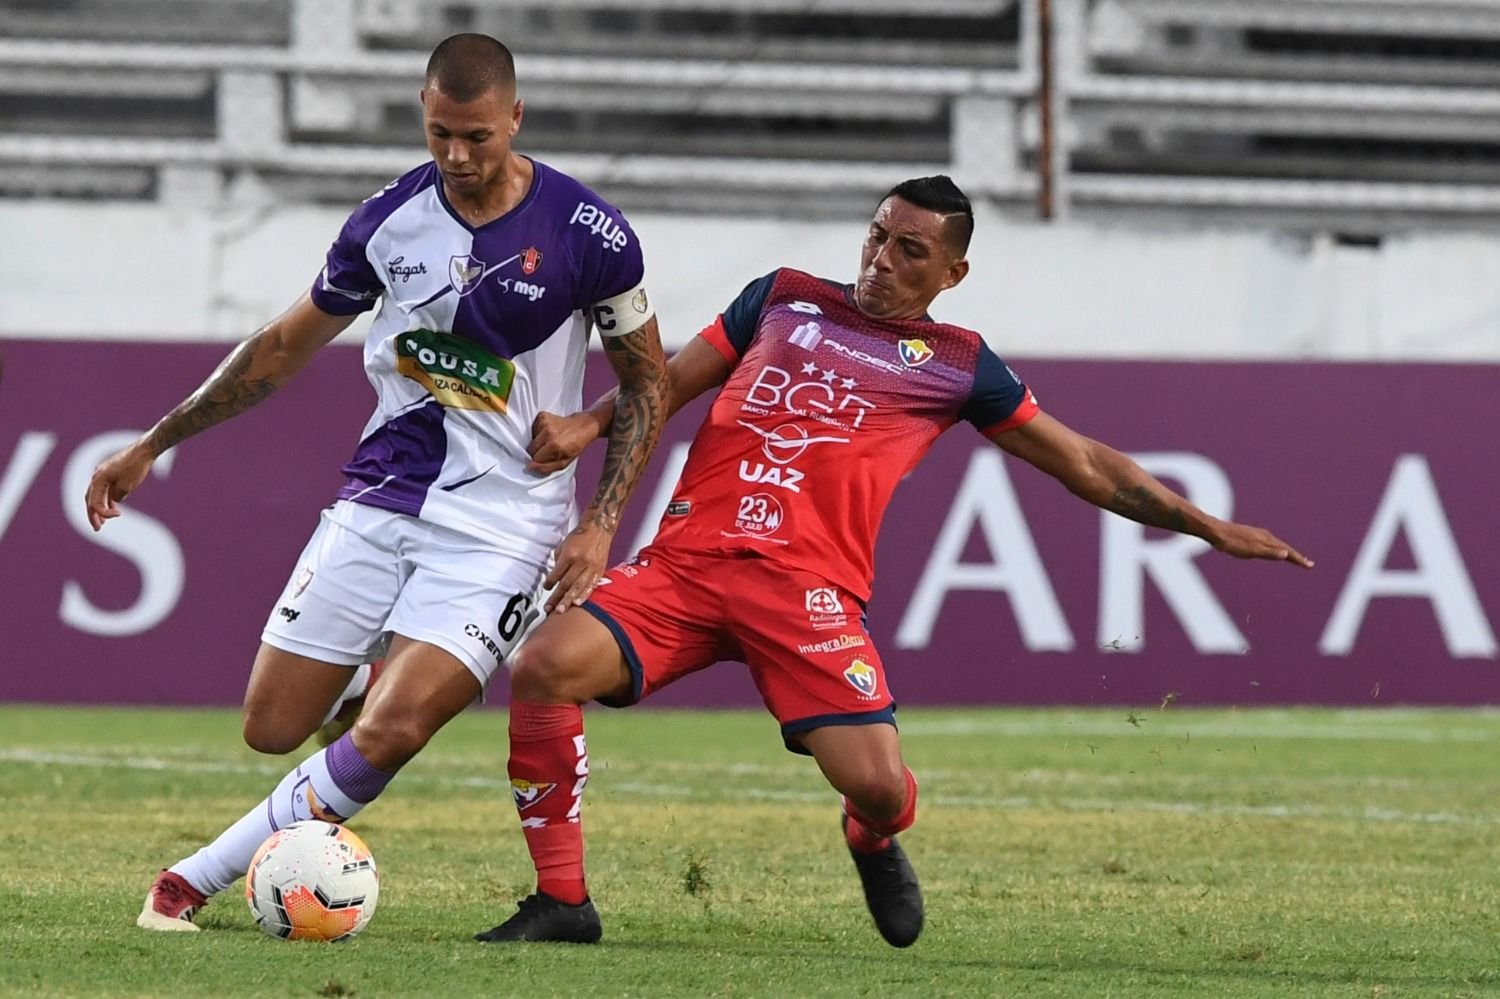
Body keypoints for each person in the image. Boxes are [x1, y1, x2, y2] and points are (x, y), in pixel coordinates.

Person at [474, 175, 1313, 947]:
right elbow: (669, 382)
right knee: (545, 663)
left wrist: (1208, 526)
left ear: (954, 271)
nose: (881, 259)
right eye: (878, 235)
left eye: (910, 250)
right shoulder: (782, 296)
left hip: (807, 593)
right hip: (685, 565)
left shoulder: (957, 364)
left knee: (880, 787)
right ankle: (564, 900)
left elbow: (1085, 463)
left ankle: (867, 831)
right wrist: (587, 425)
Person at [83, 33, 669, 931]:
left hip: (505, 526)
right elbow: (280, 347)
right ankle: (361, 694)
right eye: (440, 134)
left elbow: (646, 381)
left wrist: (599, 522)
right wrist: (153, 441)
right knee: (273, 727)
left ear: (515, 117)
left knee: (392, 734)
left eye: (477, 135)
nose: (458, 157)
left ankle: (190, 879)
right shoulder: (387, 222)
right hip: (381, 497)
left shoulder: (591, 236)